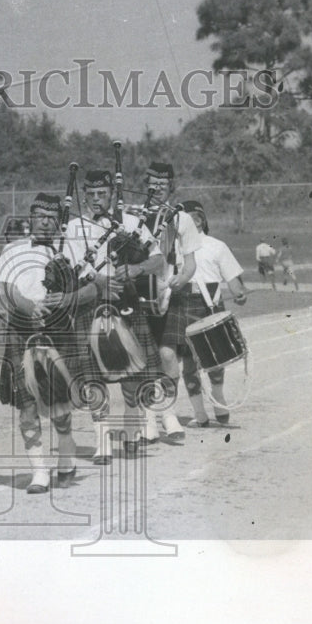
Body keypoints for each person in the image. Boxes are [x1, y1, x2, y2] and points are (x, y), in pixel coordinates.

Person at [0, 193, 96, 493]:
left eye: (52, 217)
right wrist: (28, 307)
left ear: (58, 221)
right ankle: (39, 472)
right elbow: (5, 289)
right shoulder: (13, 251)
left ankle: (66, 456)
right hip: (22, 330)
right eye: (40, 216)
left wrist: (68, 298)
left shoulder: (73, 251)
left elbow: (94, 289)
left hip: (59, 331)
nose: (45, 222)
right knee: (26, 406)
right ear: (30, 218)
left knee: (59, 406)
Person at [64, 169, 165, 463]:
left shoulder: (131, 222)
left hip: (127, 303)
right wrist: (97, 282)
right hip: (91, 304)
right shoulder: (73, 228)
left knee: (131, 375)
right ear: (85, 196)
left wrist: (135, 269)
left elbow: (157, 259)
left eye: (102, 194)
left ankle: (132, 432)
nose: (97, 199)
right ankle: (102, 442)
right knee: (93, 379)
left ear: (112, 194)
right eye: (91, 195)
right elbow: (69, 269)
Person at [138, 162, 200, 439]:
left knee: (167, 354)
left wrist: (181, 280)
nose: (158, 188)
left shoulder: (181, 219)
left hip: (171, 292)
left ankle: (169, 412)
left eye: (163, 184)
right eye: (153, 184)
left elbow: (190, 263)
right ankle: (149, 418)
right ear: (145, 184)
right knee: (143, 359)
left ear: (171, 186)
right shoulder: (133, 216)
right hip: (140, 293)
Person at [179, 201, 247, 427]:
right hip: (184, 304)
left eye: (184, 220)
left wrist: (239, 293)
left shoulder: (217, 246)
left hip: (212, 304)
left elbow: (234, 281)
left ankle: (218, 399)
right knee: (189, 364)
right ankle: (200, 415)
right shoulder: (173, 248)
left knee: (216, 360)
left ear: (198, 221)